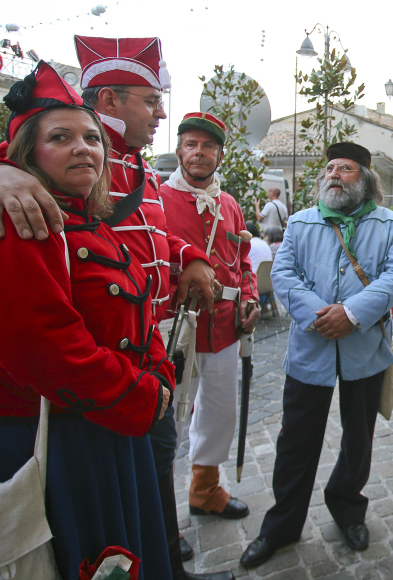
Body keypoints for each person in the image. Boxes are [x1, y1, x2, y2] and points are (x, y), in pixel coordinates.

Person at [0, 36, 226, 580]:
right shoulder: (19, 203)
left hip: (131, 371)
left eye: (89, 138)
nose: (160, 113)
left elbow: (146, 242)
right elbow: (43, 343)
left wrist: (189, 258)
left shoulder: (126, 174)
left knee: (143, 504)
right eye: (150, 100)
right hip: (65, 410)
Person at [240, 142, 393, 569]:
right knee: (296, 441)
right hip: (310, 351)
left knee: (358, 438)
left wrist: (352, 314)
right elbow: (283, 273)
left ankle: (348, 506)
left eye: (346, 169)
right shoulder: (300, 222)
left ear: (365, 180)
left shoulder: (390, 225)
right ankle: (281, 526)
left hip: (364, 350)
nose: (334, 173)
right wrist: (322, 315)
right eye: (330, 168)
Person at [160, 112, 260, 525]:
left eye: (208, 146)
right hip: (175, 327)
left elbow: (243, 261)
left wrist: (249, 297)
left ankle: (204, 489)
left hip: (223, 327)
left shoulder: (230, 204)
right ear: (180, 149)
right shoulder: (157, 199)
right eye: (191, 145)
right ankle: (161, 512)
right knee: (169, 419)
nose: (198, 153)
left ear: (220, 154)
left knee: (219, 411)